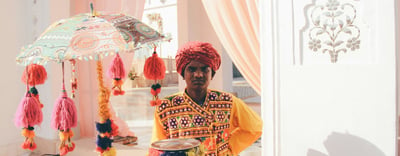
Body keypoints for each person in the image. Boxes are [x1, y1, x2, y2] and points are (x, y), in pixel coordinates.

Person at [150, 41, 262, 156]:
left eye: (204, 69)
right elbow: (157, 147)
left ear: (212, 74)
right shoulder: (166, 107)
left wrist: (229, 148)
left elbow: (255, 127)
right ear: (183, 73)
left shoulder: (227, 101)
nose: (198, 74)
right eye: (192, 69)